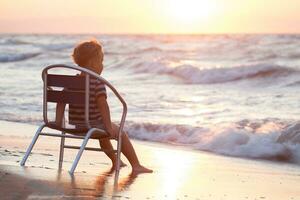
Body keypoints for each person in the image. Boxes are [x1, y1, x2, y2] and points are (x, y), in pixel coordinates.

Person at [57, 39, 152, 174]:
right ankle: (136, 165)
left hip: (78, 125)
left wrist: (58, 121)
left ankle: (116, 160)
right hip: (92, 125)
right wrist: (108, 127)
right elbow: (103, 106)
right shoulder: (97, 82)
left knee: (104, 137)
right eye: (101, 61)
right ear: (91, 63)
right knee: (120, 133)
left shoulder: (71, 82)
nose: (102, 65)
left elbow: (60, 101)